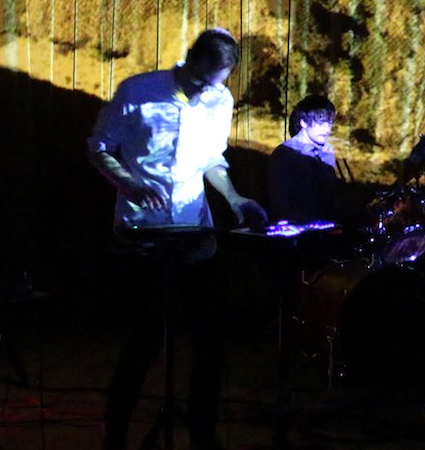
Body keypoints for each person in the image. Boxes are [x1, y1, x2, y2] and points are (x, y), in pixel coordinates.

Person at [87, 27, 268, 450]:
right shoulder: (138, 92)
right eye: (205, 81)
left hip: (193, 230)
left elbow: (211, 159)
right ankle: (115, 433)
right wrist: (129, 183)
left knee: (209, 340)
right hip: (142, 232)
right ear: (192, 61)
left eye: (218, 84)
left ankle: (202, 433)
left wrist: (235, 198)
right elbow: (99, 147)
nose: (210, 91)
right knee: (146, 339)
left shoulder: (219, 100)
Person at [267, 94, 341, 224]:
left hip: (326, 226)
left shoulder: (327, 150)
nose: (327, 129)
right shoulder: (285, 153)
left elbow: (331, 194)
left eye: (329, 122)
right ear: (303, 122)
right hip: (296, 228)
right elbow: (279, 201)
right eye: (320, 122)